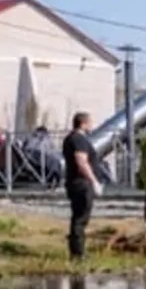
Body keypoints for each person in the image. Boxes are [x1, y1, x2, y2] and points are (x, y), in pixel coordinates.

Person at [61, 111, 100, 261]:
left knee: (78, 217)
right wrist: (94, 180)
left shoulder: (69, 138)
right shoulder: (79, 139)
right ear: (83, 123)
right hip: (81, 183)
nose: (92, 125)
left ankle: (77, 250)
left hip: (74, 182)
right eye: (90, 122)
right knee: (80, 218)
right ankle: (78, 253)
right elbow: (81, 161)